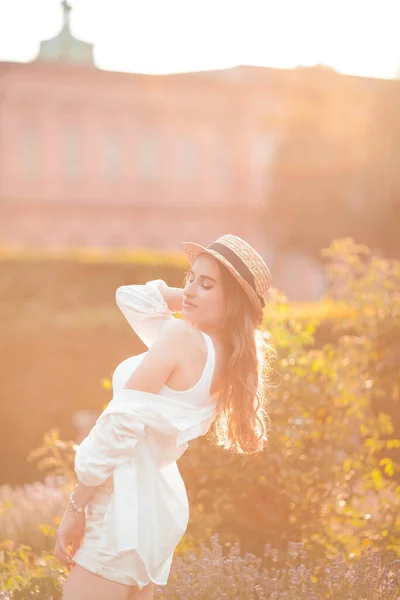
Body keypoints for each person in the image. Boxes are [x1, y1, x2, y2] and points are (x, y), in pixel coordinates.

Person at [56, 234, 275, 600]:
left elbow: (118, 426)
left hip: (119, 511)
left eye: (206, 284)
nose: (188, 290)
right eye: (189, 277)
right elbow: (132, 297)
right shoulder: (216, 356)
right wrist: (196, 295)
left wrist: (76, 507)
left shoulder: (180, 338)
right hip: (153, 512)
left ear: (233, 303)